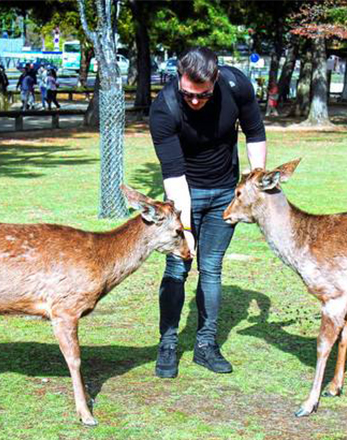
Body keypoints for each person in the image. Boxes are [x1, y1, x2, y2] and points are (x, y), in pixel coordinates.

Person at [149, 47, 267, 378]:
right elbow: (174, 177)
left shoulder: (235, 86)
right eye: (189, 94)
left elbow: (255, 132)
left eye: (202, 95)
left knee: (212, 269)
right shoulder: (165, 109)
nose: (195, 101)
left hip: (224, 193)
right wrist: (184, 229)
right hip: (186, 190)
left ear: (215, 80)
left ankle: (205, 345)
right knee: (177, 267)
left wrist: (256, 182)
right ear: (179, 79)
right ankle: (168, 343)